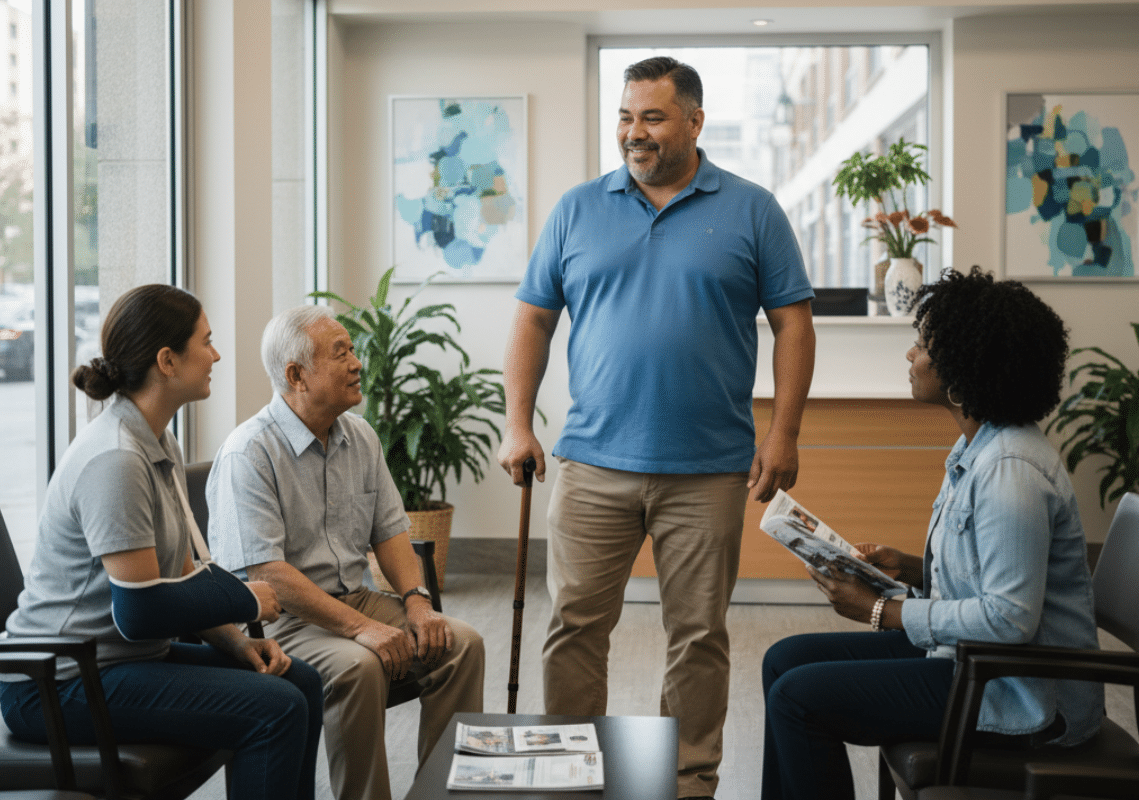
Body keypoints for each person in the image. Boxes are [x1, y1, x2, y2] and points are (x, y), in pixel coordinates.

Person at [497, 55, 816, 799]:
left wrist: (783, 432)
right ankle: (571, 769)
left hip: (706, 468)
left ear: (694, 122)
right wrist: (517, 423)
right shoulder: (578, 208)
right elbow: (533, 320)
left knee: (697, 636)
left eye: (651, 117)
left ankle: (689, 780)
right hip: (590, 464)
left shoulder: (751, 208)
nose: (633, 133)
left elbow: (792, 327)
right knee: (574, 627)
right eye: (624, 116)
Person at [760, 267, 1104, 800]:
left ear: (963, 365)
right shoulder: (978, 449)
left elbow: (1009, 619)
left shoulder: (1011, 471)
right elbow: (991, 572)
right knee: (783, 660)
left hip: (1021, 691)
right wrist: (909, 568)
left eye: (922, 345)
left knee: (798, 698)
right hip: (975, 664)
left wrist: (881, 612)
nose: (911, 356)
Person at [0, 285, 323, 800]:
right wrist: (245, 598)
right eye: (207, 342)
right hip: (55, 684)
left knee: (299, 683)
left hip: (119, 660)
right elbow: (142, 611)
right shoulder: (117, 459)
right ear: (167, 361)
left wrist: (238, 641)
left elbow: (175, 580)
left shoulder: (157, 439)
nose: (216, 354)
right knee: (276, 708)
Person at [207, 304, 485, 800]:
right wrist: (362, 629)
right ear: (297, 375)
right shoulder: (248, 453)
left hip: (355, 597)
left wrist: (418, 602)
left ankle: (443, 794)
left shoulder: (360, 436)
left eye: (353, 350)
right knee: (358, 667)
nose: (358, 362)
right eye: (341, 353)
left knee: (460, 644)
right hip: (280, 621)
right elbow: (268, 574)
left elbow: (392, 532)